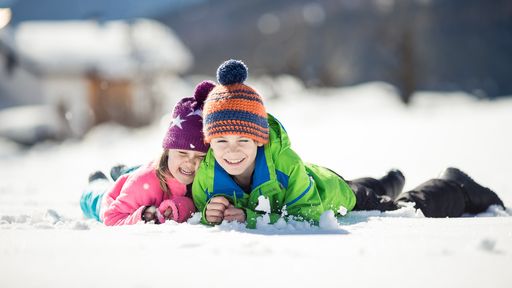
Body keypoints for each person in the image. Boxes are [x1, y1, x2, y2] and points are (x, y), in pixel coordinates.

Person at [191, 59, 505, 229]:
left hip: (331, 193)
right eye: (221, 140)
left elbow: (308, 215)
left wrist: (252, 218)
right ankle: (385, 182)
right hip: (323, 179)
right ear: (210, 141)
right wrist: (212, 214)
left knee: (399, 208)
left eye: (243, 139)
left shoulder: (285, 165)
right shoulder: (207, 174)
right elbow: (205, 210)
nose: (231, 150)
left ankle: (453, 186)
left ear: (260, 140)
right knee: (366, 188)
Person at [80, 80, 216, 226]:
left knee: (137, 177)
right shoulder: (145, 182)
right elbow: (111, 217)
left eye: (200, 156)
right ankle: (98, 182)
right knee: (99, 196)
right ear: (168, 151)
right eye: (182, 153)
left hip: (153, 179)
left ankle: (122, 172)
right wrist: (143, 216)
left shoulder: (202, 177)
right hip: (124, 194)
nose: (190, 162)